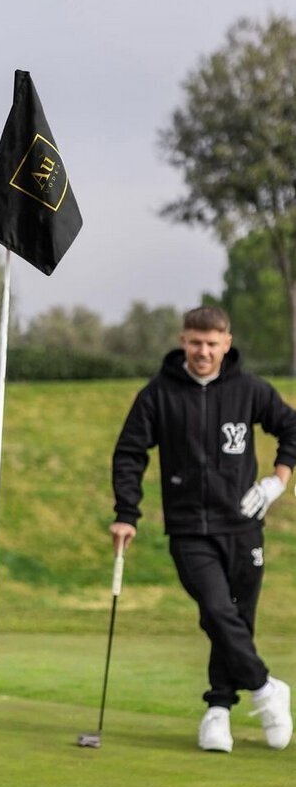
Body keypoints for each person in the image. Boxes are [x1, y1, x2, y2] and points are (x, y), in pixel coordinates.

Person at [110, 306, 296, 754]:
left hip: (243, 524)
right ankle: (266, 689)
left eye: (212, 344)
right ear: (183, 341)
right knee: (215, 610)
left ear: (226, 344)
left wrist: (277, 481)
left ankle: (219, 709)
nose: (203, 352)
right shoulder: (158, 394)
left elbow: (291, 428)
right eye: (196, 342)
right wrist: (127, 513)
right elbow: (130, 453)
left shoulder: (249, 390)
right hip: (188, 527)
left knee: (237, 618)